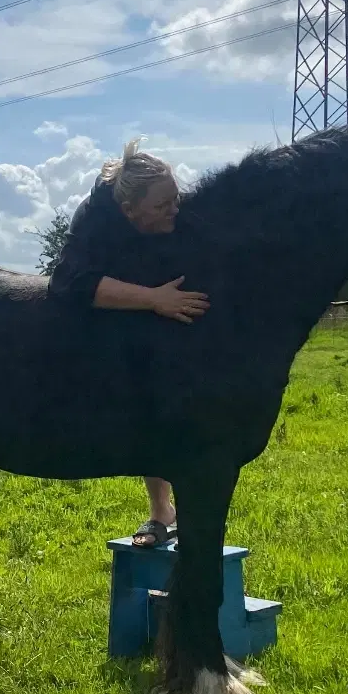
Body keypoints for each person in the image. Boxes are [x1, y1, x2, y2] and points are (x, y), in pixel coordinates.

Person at [48, 141, 209, 545]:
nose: (175, 209)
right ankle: (162, 510)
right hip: (117, 304)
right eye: (162, 205)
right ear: (129, 211)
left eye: (175, 198)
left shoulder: (173, 207)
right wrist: (155, 299)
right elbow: (69, 283)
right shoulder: (94, 220)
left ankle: (192, 504)